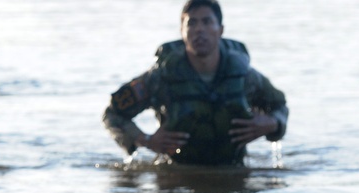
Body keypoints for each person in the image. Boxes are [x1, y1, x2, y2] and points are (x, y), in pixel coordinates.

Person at [103, 0, 288, 166]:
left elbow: (280, 106)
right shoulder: (160, 78)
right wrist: (146, 140)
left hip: (233, 170)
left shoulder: (244, 76)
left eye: (207, 22)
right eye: (192, 23)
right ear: (182, 32)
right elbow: (112, 114)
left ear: (220, 30)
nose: (199, 29)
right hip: (176, 171)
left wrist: (273, 124)